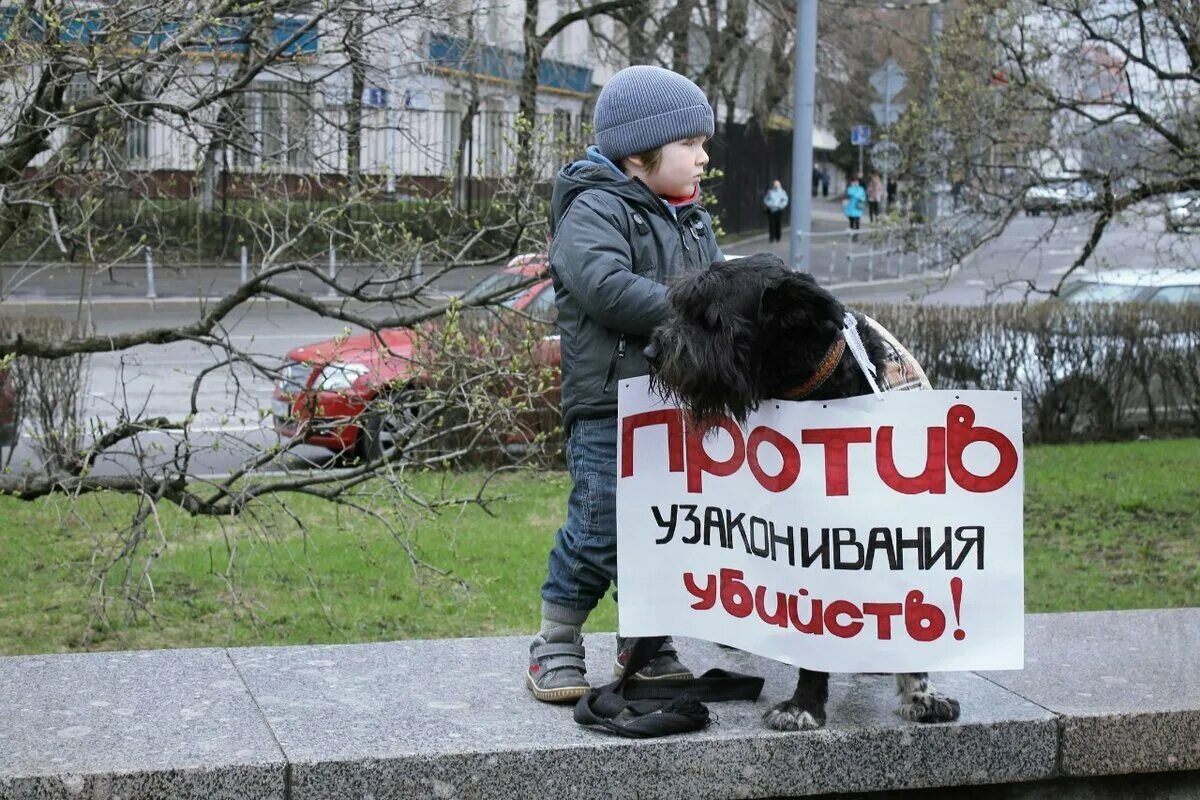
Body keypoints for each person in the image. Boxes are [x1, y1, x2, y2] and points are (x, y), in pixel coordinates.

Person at [527, 65, 724, 704]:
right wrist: (700, 308)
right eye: (690, 144)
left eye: (703, 144)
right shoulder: (594, 209)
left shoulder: (693, 222)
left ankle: (647, 641)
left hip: (677, 406)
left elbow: (720, 291)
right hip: (610, 406)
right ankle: (555, 642)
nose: (703, 157)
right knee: (600, 524)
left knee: (668, 527)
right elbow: (608, 290)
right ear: (639, 154)